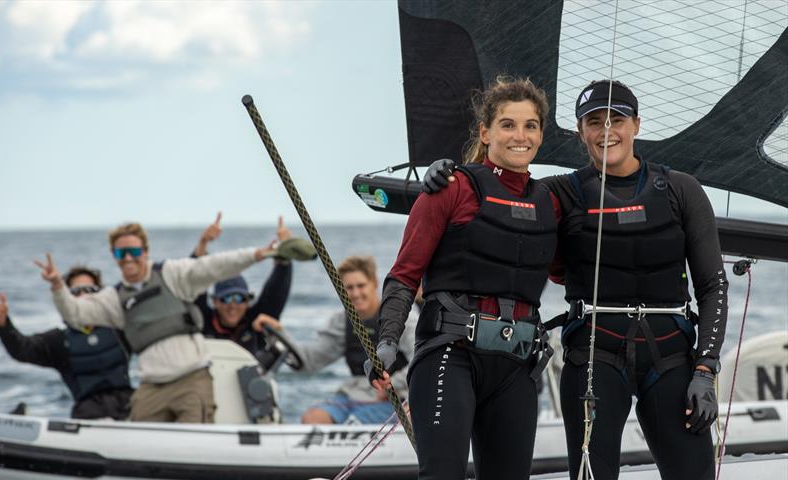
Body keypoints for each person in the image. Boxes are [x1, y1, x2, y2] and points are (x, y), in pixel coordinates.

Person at [423, 80, 727, 480]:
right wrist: (449, 171)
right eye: (594, 121)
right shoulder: (559, 193)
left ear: (636, 124)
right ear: (580, 130)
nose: (606, 131)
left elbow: (712, 285)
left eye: (616, 120)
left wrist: (705, 369)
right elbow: (496, 194)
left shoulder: (679, 189)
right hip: (594, 361)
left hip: (671, 359)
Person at [369, 77, 560, 480]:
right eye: (508, 124)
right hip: (450, 355)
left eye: (530, 125)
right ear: (485, 131)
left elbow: (570, 271)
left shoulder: (551, 202)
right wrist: (386, 341)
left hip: (516, 366)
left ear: (542, 133)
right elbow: (404, 275)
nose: (520, 136)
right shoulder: (451, 188)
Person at [35, 222, 278, 423]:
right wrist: (58, 286)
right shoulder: (114, 298)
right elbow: (75, 314)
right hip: (152, 387)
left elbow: (215, 267)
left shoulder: (171, 274)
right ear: (114, 257)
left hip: (191, 380)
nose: (128, 258)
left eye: (134, 251)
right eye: (121, 253)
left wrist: (258, 254)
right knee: (136, 444)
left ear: (146, 251)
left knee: (195, 445)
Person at [0, 266, 133, 420]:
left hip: (130, 406)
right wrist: (4, 326)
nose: (83, 296)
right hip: (89, 413)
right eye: (75, 292)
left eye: (90, 290)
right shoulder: (60, 341)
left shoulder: (119, 331)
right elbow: (22, 349)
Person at [298, 255, 416, 425]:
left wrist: (394, 384)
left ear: (375, 283)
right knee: (313, 418)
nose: (355, 293)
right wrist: (279, 336)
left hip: (393, 398)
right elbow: (311, 360)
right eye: (349, 288)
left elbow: (420, 358)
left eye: (361, 286)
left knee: (356, 421)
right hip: (353, 396)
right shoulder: (341, 322)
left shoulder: (402, 319)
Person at [193, 215, 293, 369]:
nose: (233, 305)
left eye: (239, 298)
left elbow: (275, 295)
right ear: (214, 302)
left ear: (247, 302)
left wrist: (284, 257)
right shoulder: (203, 321)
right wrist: (203, 243)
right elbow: (195, 282)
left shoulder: (256, 324)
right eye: (226, 299)